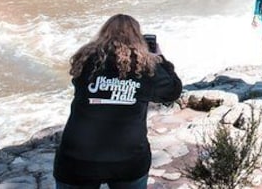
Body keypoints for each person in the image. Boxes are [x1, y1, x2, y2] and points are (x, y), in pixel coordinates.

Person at [53, 14, 182, 189]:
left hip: (77, 158)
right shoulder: (146, 67)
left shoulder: (86, 61)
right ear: (138, 37)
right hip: (128, 159)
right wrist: (160, 59)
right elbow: (172, 91)